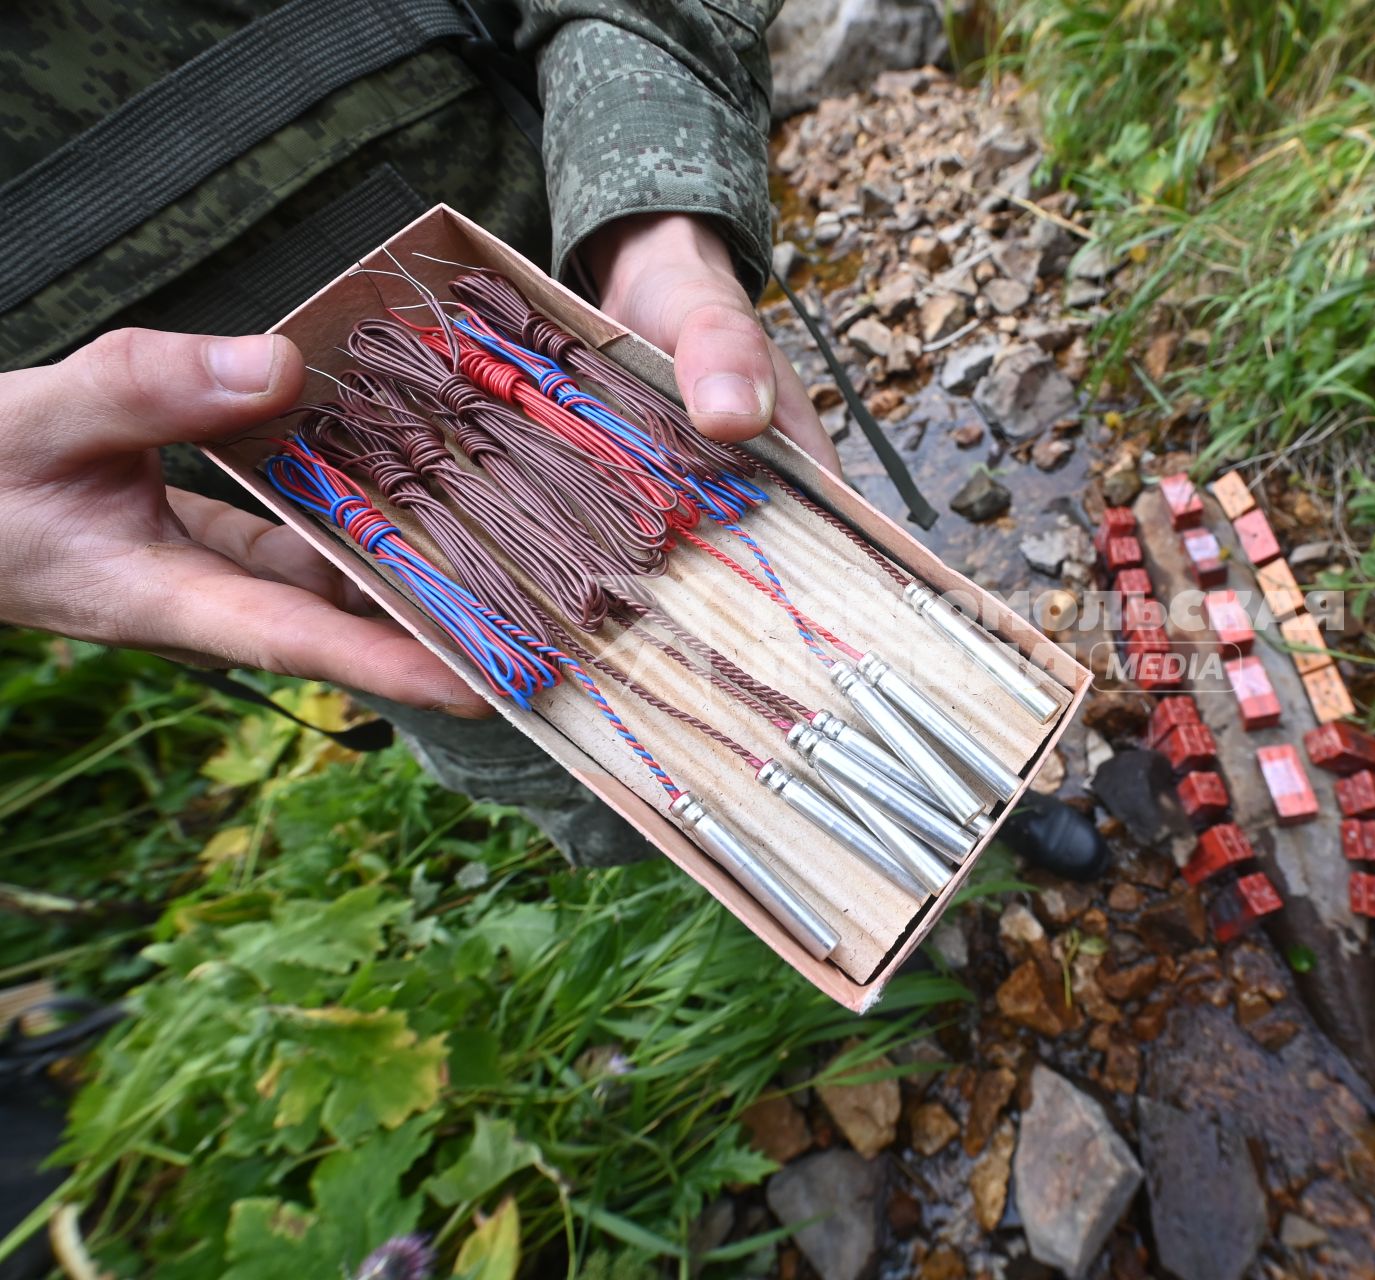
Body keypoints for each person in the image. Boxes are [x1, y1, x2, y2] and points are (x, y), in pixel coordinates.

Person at [0, 0, 839, 864]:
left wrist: (654, 223)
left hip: (605, 362)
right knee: (672, 803)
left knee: (837, 632)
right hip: (365, 579)